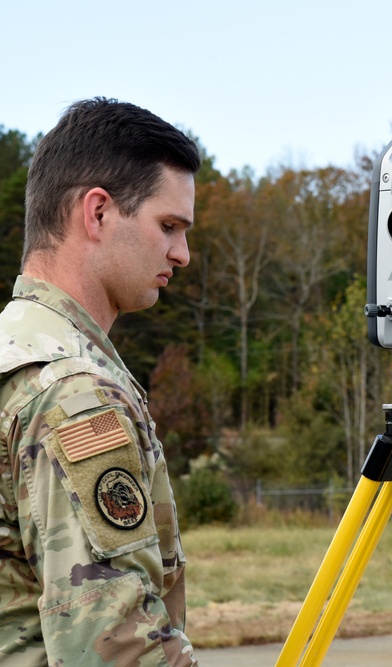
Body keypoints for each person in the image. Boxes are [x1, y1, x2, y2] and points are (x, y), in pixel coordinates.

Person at [0, 98, 201, 665]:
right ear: (98, 213)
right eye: (169, 226)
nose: (182, 254)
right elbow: (115, 647)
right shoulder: (72, 393)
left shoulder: (14, 351)